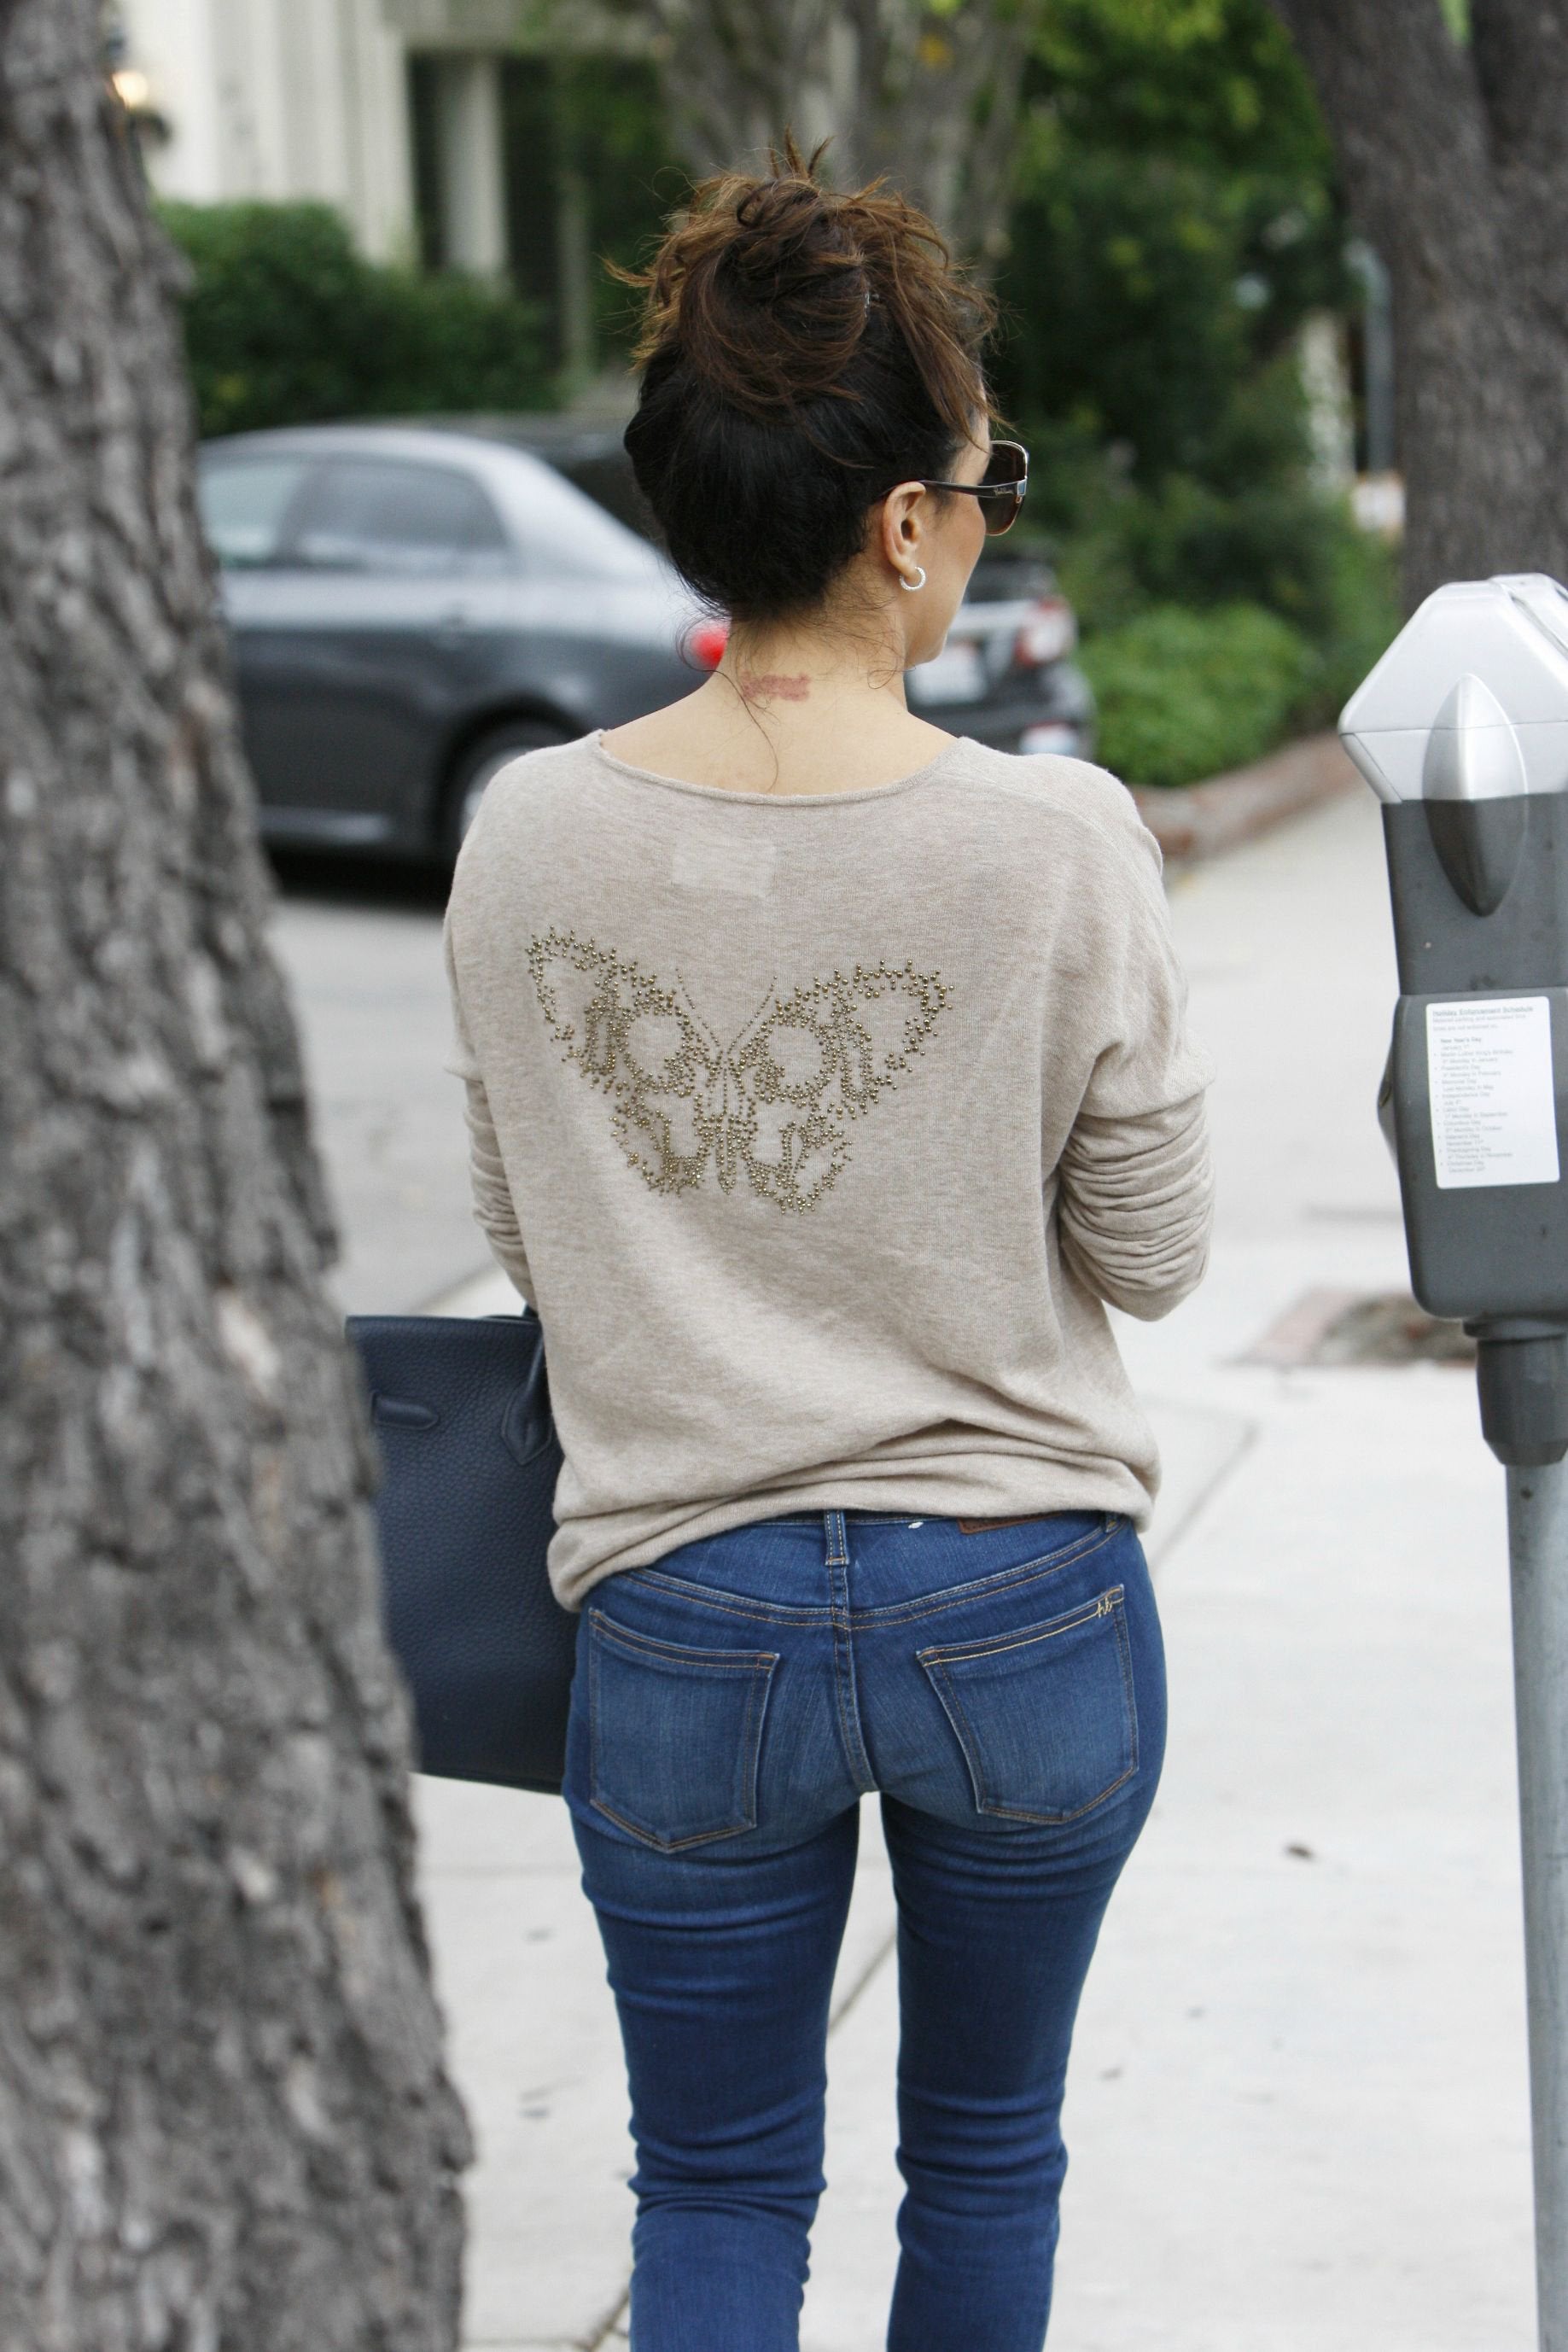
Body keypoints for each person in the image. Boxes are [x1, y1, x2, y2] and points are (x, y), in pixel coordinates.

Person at [443, 136, 1214, 2352]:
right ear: (898, 524)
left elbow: (527, 1230)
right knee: (983, 2156)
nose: (981, 526)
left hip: (686, 1611)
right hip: (1023, 1596)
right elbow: (1154, 1252)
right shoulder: (1058, 838)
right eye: (985, 487)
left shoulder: (528, 836)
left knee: (711, 2188)